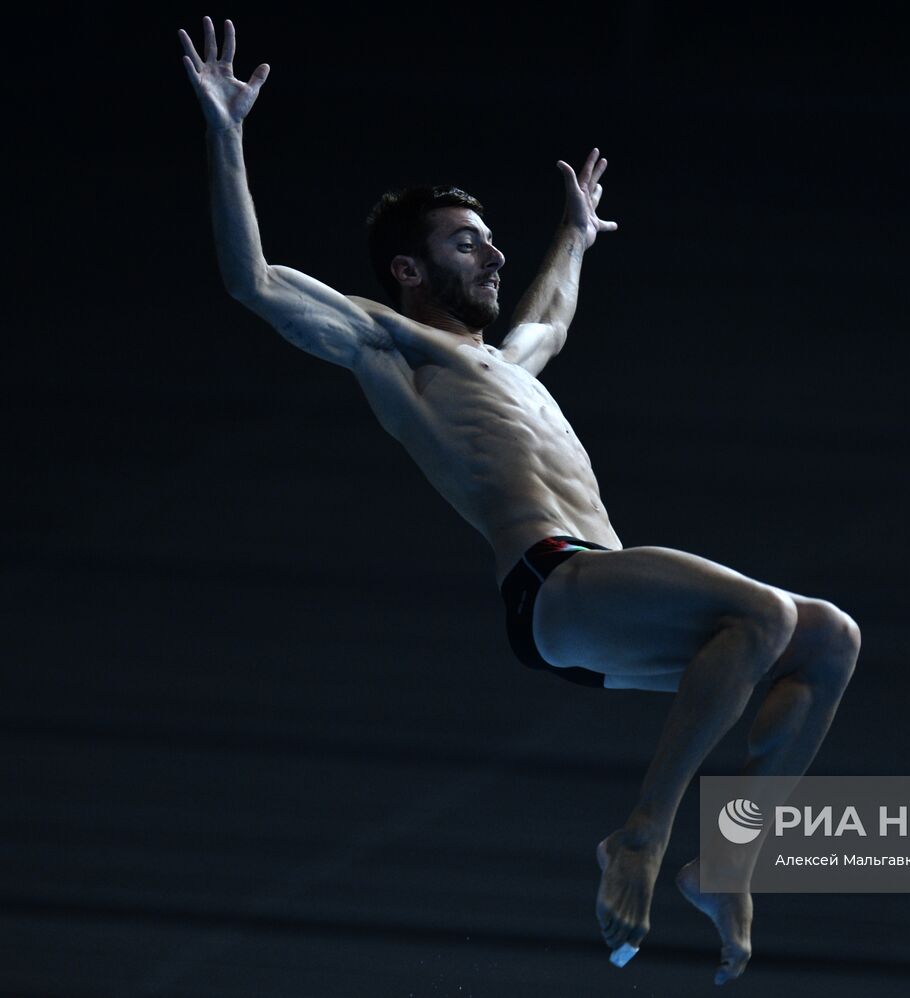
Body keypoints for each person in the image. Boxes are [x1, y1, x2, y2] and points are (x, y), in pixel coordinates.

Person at [179, 17, 860, 986]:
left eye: (493, 241)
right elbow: (251, 281)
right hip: (550, 588)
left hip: (601, 611)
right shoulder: (392, 352)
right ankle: (641, 834)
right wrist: (226, 133)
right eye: (468, 244)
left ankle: (729, 862)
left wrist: (574, 234)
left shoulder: (505, 365)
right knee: (762, 614)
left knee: (827, 640)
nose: (492, 256)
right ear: (409, 271)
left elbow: (552, 317)